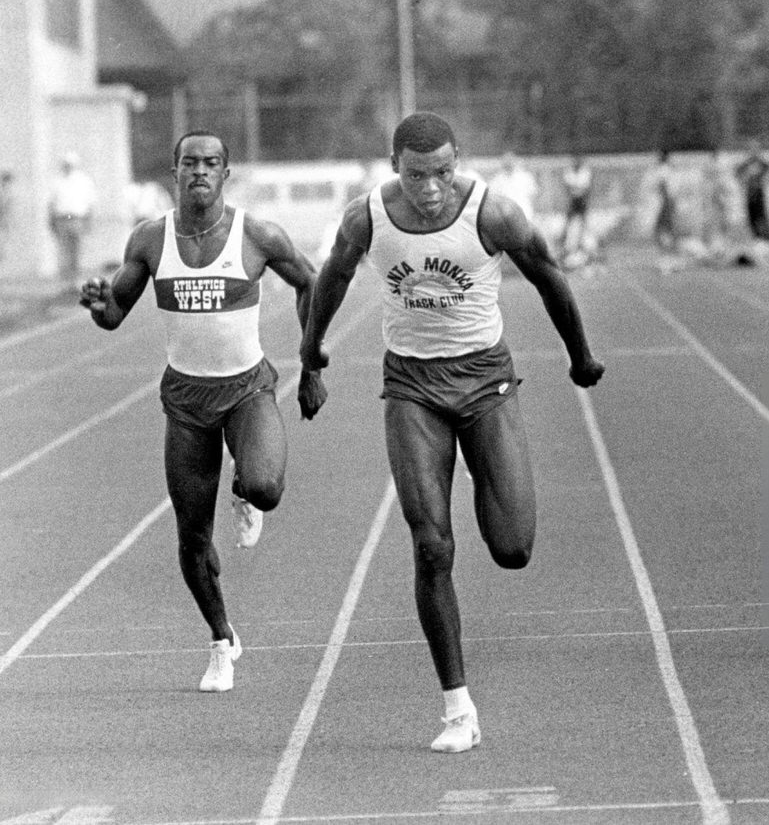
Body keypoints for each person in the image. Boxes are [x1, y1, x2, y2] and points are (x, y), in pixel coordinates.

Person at [297, 112, 604, 754]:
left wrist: (579, 354)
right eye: (416, 175)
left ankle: (487, 475)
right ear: (393, 168)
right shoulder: (366, 218)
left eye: (442, 172)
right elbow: (333, 274)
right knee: (432, 546)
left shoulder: (494, 214)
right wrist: (311, 348)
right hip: (411, 386)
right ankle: (457, 708)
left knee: (513, 548)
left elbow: (549, 276)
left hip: (486, 380)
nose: (431, 188)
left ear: (458, 161)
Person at [77, 130, 319, 691]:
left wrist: (312, 366)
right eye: (190, 163)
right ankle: (220, 640)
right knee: (191, 538)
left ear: (226, 174)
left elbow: (311, 282)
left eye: (212, 163)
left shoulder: (256, 234)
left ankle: (243, 491)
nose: (200, 172)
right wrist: (96, 304)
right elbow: (115, 312)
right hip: (186, 400)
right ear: (175, 171)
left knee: (265, 488)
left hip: (246, 389)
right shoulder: (149, 239)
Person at [49, 152, 97, 289]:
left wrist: (88, 221)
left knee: (77, 251)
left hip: (77, 218)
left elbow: (90, 203)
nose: (67, 167)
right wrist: (51, 220)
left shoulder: (84, 181)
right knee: (63, 251)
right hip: (62, 219)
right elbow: (51, 203)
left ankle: (77, 282)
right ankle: (66, 284)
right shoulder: (57, 181)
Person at [736, 140, 769, 242]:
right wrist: (744, 179)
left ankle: (766, 238)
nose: (753, 151)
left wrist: (764, 179)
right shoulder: (747, 163)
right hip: (749, 193)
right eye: (751, 149)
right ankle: (756, 238)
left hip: (759, 193)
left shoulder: (762, 162)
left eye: (756, 149)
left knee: (761, 216)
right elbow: (737, 173)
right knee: (751, 216)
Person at [490, 152, 539, 222]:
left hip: (526, 214)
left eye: (511, 160)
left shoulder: (526, 177)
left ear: (515, 161)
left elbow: (533, 196)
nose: (508, 163)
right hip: (506, 218)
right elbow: (493, 200)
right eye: (506, 161)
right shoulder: (496, 180)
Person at [561, 155, 593, 259]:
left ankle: (584, 246)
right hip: (572, 201)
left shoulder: (585, 171)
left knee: (584, 224)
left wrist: (577, 189)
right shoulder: (569, 171)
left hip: (582, 201)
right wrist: (576, 189)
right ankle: (566, 246)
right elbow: (569, 186)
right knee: (569, 224)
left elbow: (584, 187)